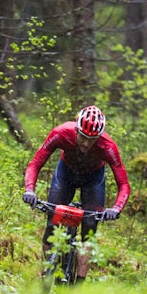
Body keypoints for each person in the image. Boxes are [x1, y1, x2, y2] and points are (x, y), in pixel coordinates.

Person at [22, 105, 130, 282]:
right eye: (83, 137)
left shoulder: (108, 146)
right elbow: (35, 163)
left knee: (89, 228)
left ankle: (79, 285)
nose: (86, 143)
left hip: (93, 180)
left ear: (99, 137)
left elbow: (124, 184)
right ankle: (47, 276)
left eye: (92, 139)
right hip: (66, 175)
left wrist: (116, 208)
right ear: (77, 130)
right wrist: (29, 190)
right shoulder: (61, 133)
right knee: (52, 224)